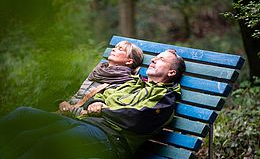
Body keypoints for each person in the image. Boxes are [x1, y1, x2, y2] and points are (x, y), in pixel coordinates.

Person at [0, 49, 185, 159]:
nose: (153, 60)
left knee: (49, 144)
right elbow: (101, 96)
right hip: (83, 123)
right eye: (155, 57)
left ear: (170, 73)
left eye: (161, 59)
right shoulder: (133, 83)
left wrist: (102, 110)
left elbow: (137, 119)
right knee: (24, 118)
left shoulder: (165, 98)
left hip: (111, 139)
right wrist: (97, 103)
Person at [58, 40, 143, 116]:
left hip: (81, 117)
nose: (113, 49)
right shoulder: (98, 71)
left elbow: (101, 107)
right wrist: (62, 103)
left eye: (120, 49)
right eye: (115, 48)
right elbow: (77, 95)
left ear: (129, 61)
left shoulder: (123, 81)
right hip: (66, 112)